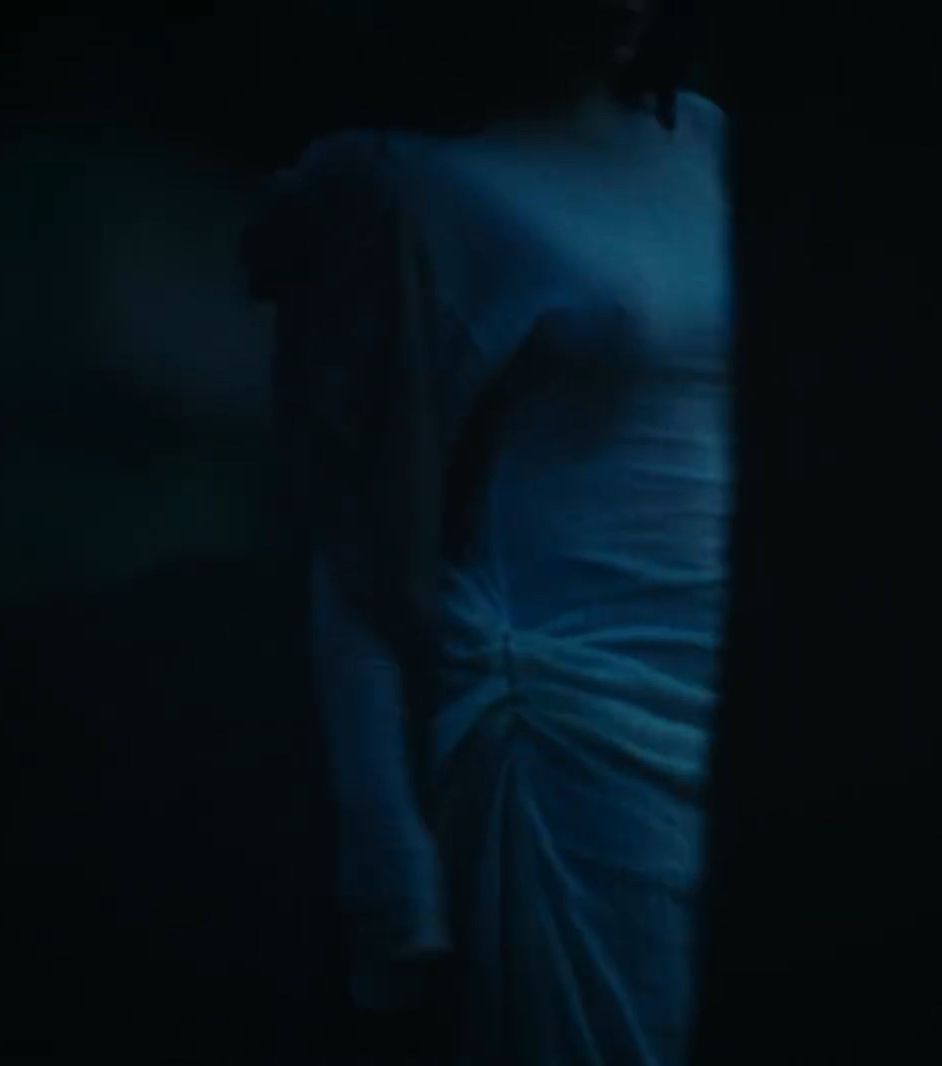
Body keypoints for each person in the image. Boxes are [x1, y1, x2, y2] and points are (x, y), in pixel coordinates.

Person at [244, 3, 726, 1063]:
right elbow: (358, 555)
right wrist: (390, 867)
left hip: (720, 698)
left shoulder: (704, 141)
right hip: (568, 729)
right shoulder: (417, 190)